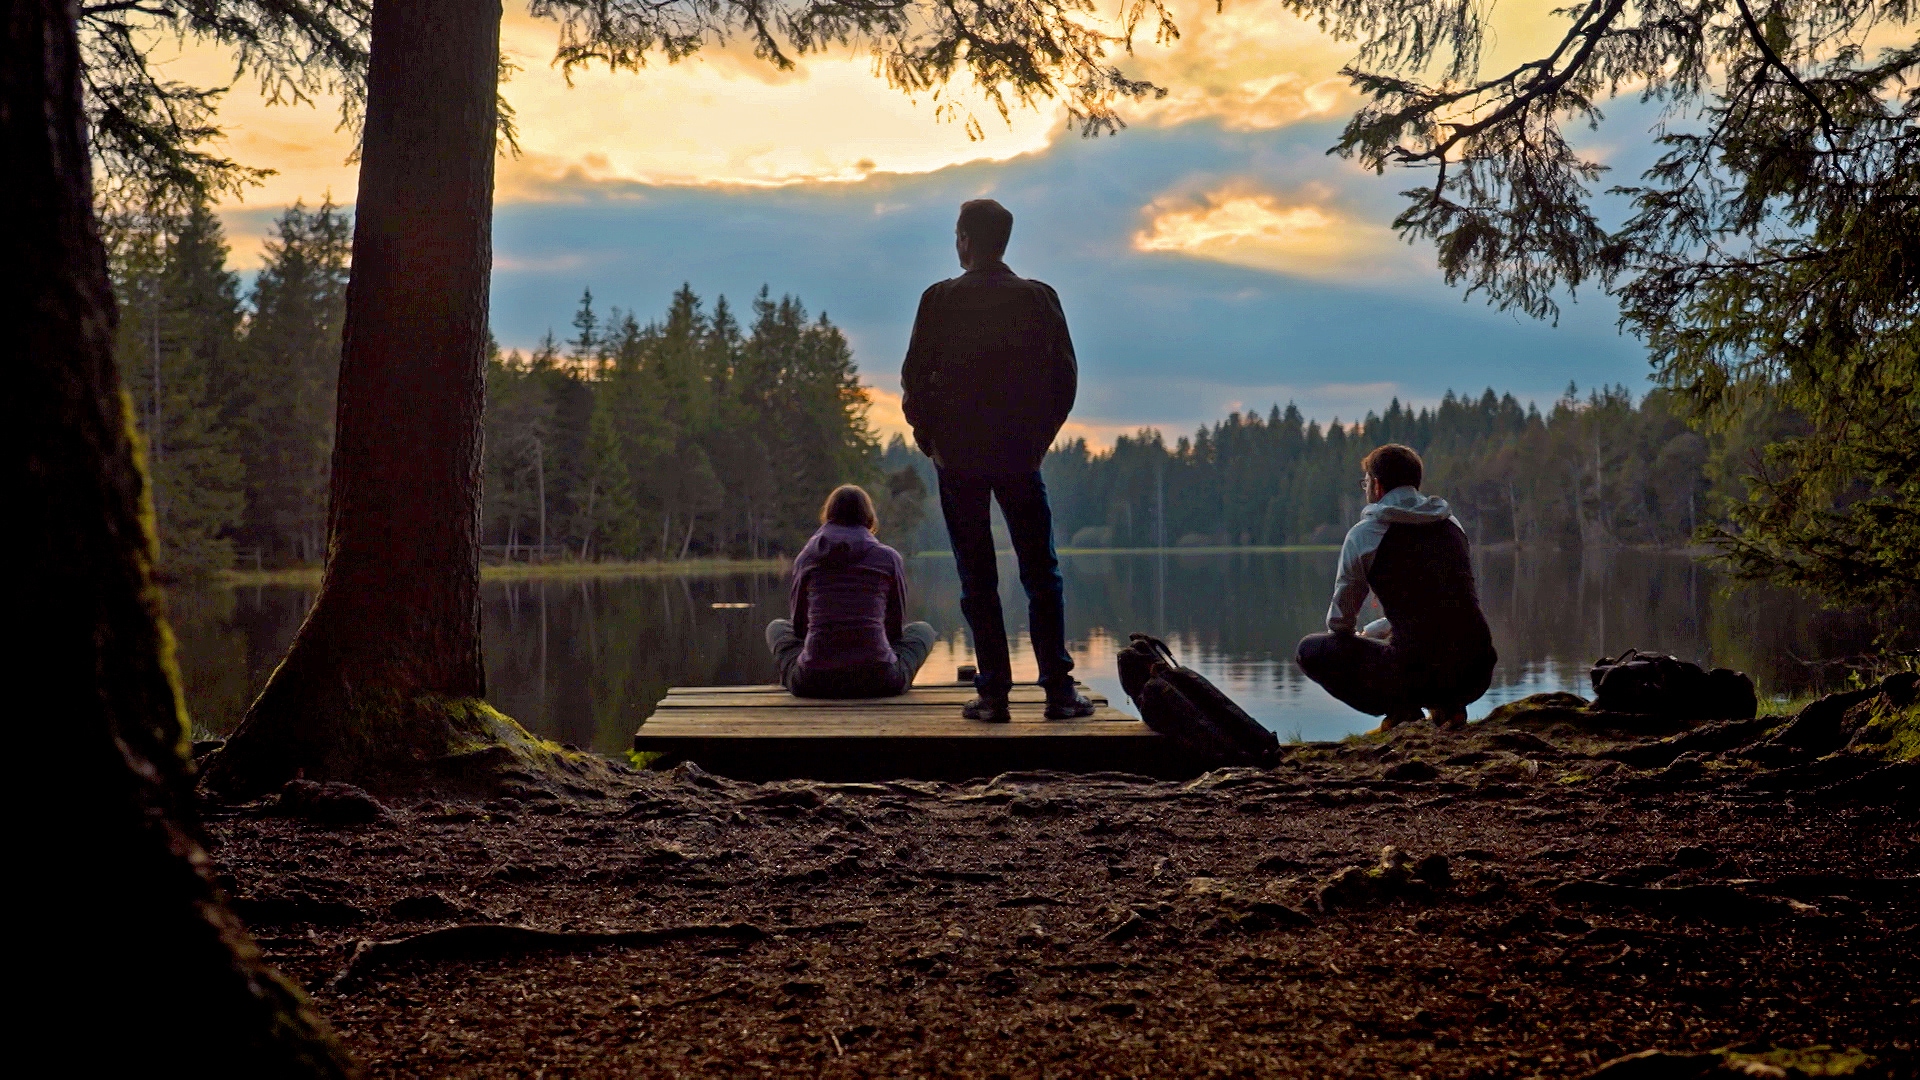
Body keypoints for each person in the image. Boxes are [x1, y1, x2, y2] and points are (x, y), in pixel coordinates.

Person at [900, 198, 1092, 724]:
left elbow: (914, 378)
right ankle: (1057, 691)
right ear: (1003, 243)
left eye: (957, 235)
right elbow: (1065, 380)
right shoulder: (1039, 299)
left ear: (965, 239)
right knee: (1041, 573)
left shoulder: (937, 300)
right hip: (1018, 458)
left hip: (957, 461)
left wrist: (930, 440)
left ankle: (994, 696)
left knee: (976, 577)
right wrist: (1037, 442)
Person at [1295, 444, 1497, 732]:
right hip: (1477, 671)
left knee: (1310, 651)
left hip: (1418, 675)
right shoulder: (1451, 522)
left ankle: (1403, 712)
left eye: (1366, 482)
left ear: (1376, 486)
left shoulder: (1365, 534)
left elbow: (1340, 623)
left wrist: (1370, 637)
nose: (1366, 488)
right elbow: (1446, 603)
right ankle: (1449, 706)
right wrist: (1389, 624)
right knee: (1422, 646)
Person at [766, 485, 938, 698]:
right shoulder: (888, 558)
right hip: (880, 680)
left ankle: (802, 673)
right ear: (868, 518)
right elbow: (895, 629)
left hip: (813, 681)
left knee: (777, 628)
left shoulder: (807, 558)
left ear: (828, 516)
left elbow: (799, 629)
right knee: (923, 630)